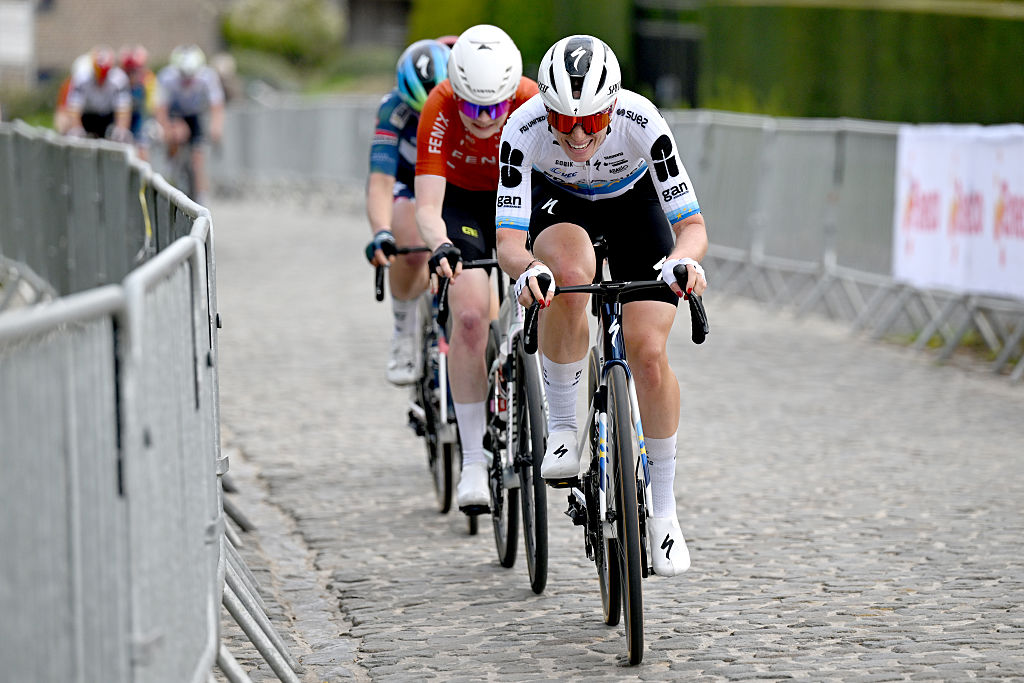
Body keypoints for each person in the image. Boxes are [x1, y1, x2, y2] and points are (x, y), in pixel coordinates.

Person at [494, 35, 709, 577]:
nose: (580, 134)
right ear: (546, 110)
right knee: (567, 275)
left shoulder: (642, 122)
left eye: (592, 120)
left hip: (635, 208)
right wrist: (528, 271)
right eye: (564, 122)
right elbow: (508, 244)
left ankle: (663, 511)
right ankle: (565, 426)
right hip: (560, 206)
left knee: (649, 354)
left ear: (613, 106)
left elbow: (691, 227)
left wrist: (684, 261)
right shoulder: (522, 132)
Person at [415, 24, 539, 512]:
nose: (485, 120)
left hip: (519, 199)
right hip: (462, 206)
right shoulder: (439, 106)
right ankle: (472, 460)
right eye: (473, 107)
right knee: (467, 317)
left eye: (495, 108)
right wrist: (441, 245)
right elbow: (428, 208)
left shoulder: (530, 98)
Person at [365, 38, 451, 385]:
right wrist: (381, 232)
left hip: (451, 177)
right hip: (408, 179)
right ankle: (403, 326)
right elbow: (381, 181)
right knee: (410, 244)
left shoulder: (466, 96)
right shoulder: (393, 110)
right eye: (419, 112)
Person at [154, 44, 225, 205]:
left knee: (198, 156)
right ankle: (172, 170)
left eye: (191, 76)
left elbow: (217, 106)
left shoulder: (208, 76)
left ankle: (201, 196)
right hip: (175, 113)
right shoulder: (166, 77)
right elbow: (160, 109)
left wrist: (216, 127)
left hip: (194, 114)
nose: (187, 81)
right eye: (183, 76)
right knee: (176, 135)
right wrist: (167, 131)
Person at [64, 46, 133, 142]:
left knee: (122, 136)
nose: (101, 80)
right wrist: (76, 128)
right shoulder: (81, 78)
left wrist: (121, 129)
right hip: (87, 115)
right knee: (71, 133)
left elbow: (123, 109)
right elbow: (74, 108)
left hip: (108, 116)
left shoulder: (119, 79)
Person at [118, 44, 157, 160]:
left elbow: (152, 106)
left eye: (135, 71)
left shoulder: (148, 81)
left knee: (142, 149)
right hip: (124, 121)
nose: (132, 76)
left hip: (140, 120)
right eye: (129, 72)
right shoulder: (119, 83)